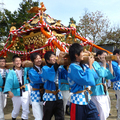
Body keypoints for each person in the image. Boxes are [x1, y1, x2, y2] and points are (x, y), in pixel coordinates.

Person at [68, 43, 100, 120]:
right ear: (76, 55)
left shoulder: (83, 65)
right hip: (78, 101)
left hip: (87, 99)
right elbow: (88, 81)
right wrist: (90, 65)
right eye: (82, 52)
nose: (83, 54)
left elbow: (95, 76)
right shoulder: (73, 67)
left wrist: (90, 63)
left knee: (95, 117)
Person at [4, 55, 30, 120]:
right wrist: (9, 92)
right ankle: (13, 118)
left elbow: (32, 66)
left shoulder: (24, 69)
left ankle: (24, 118)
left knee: (26, 109)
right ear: (13, 62)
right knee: (16, 110)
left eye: (19, 61)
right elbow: (8, 82)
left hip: (25, 90)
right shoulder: (11, 72)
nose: (18, 62)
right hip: (16, 92)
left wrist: (27, 61)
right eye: (16, 61)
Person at [41, 51, 65, 120]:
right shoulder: (45, 68)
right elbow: (50, 74)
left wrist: (66, 65)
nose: (55, 58)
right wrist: (59, 60)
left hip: (59, 96)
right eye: (52, 57)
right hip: (49, 97)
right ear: (47, 60)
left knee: (60, 117)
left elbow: (65, 75)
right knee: (47, 117)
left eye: (55, 56)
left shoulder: (59, 67)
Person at [91, 50, 113, 120]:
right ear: (99, 56)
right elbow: (101, 74)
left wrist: (110, 64)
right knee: (101, 111)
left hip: (104, 91)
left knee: (106, 110)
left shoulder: (103, 65)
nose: (105, 57)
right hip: (96, 91)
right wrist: (104, 64)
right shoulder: (94, 63)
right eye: (104, 55)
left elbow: (110, 76)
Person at [28, 52, 44, 120]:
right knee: (38, 116)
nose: (39, 60)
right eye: (36, 59)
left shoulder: (44, 68)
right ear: (33, 61)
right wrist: (47, 77)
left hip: (44, 93)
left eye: (40, 58)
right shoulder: (31, 71)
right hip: (35, 93)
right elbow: (38, 80)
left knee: (44, 115)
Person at [111, 49, 120, 120]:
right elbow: (119, 73)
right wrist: (119, 63)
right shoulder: (113, 63)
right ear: (117, 55)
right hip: (118, 83)